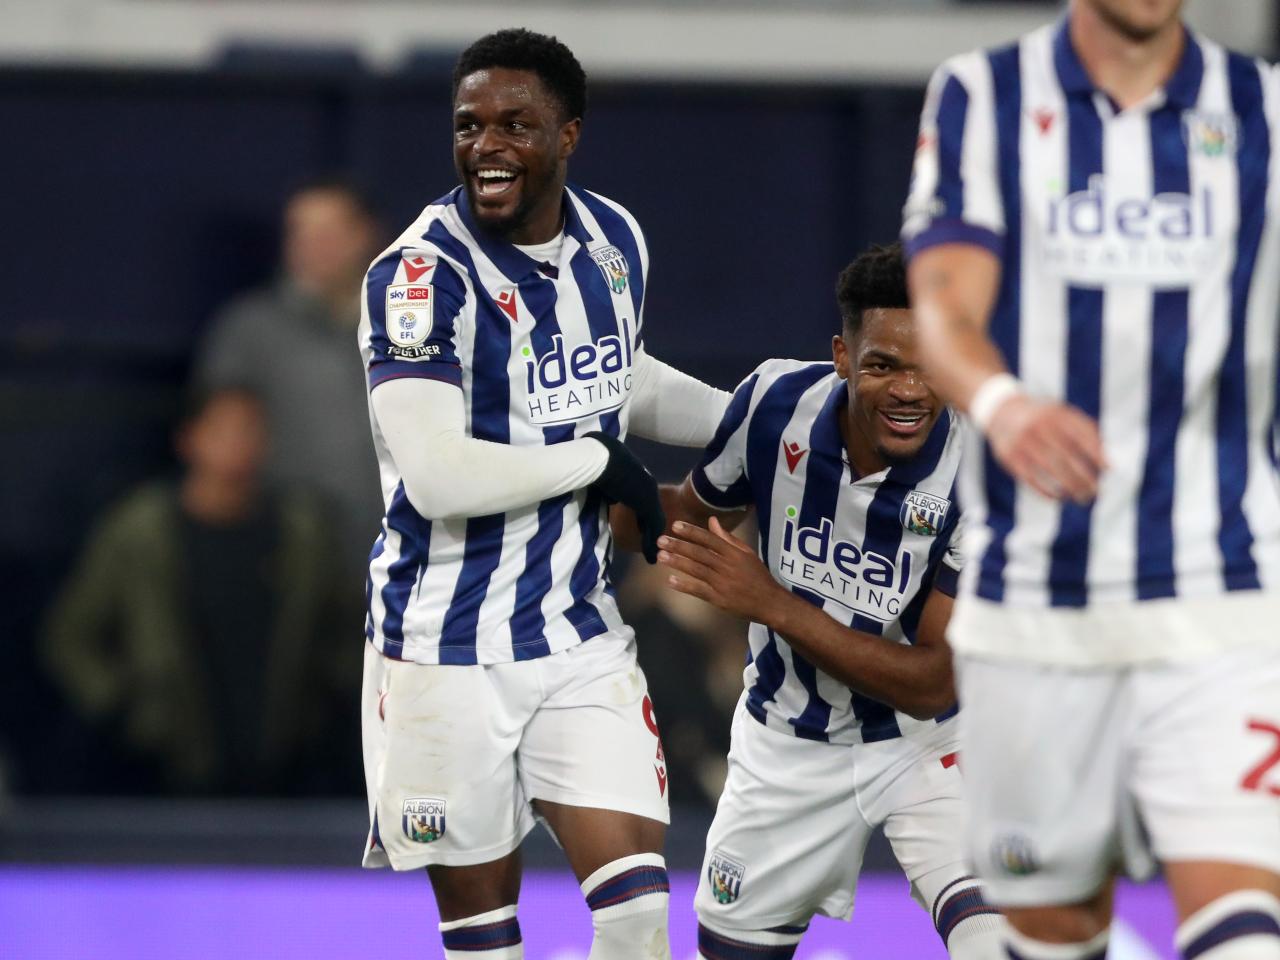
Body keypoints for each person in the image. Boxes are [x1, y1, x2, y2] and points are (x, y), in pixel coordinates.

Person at [903, 2, 1280, 959]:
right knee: (1053, 930)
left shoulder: (1261, 110)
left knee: (1245, 929)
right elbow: (944, 300)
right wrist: (1003, 406)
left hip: (1221, 591)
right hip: (1036, 604)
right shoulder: (984, 96)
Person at [356, 28, 730, 960]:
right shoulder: (417, 278)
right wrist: (602, 464)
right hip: (442, 644)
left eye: (516, 124)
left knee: (640, 916)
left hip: (576, 632)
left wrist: (758, 419)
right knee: (487, 942)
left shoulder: (615, 239)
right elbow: (440, 475)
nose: (487, 144)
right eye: (469, 125)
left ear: (569, 135)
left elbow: (619, 380)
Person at [625, 243, 1003, 960]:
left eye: (928, 365)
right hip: (786, 745)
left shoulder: (985, 474)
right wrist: (580, 476)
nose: (908, 390)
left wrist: (771, 603)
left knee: (1000, 943)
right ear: (841, 355)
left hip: (931, 747)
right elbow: (685, 518)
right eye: (884, 364)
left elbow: (931, 683)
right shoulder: (773, 403)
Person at [41, 385, 358, 796]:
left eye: (250, 430)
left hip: (288, 761)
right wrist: (120, 706)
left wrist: (326, 700)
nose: (238, 444)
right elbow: (70, 634)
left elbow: (353, 627)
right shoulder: (142, 530)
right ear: (189, 439)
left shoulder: (303, 532)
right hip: (161, 765)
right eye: (223, 431)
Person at [195, 176, 384, 581]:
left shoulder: (409, 322)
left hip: (402, 553)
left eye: (328, 232)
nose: (314, 245)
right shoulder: (248, 330)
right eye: (301, 232)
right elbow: (220, 443)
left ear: (365, 234)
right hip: (288, 563)